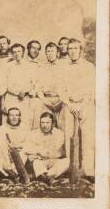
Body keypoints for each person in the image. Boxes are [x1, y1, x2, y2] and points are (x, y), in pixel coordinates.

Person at [63, 38, 95, 181]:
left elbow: (92, 89)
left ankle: (88, 170)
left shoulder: (89, 67)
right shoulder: (62, 68)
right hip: (69, 105)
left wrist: (82, 105)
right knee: (68, 136)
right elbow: (60, 89)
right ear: (67, 51)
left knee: (87, 137)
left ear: (80, 50)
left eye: (75, 48)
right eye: (70, 49)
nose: (73, 51)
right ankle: (72, 169)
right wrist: (69, 104)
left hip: (85, 105)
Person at [36, 42, 73, 154]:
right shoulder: (41, 67)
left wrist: (61, 101)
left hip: (61, 101)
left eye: (52, 51)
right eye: (48, 51)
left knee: (63, 129)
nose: (50, 53)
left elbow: (69, 86)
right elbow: (37, 87)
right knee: (45, 128)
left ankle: (63, 155)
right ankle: (45, 155)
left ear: (57, 52)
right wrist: (45, 101)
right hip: (46, 101)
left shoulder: (65, 67)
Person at [25, 112, 69, 184]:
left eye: (47, 122)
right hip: (40, 160)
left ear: (53, 124)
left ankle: (45, 177)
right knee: (36, 163)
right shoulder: (34, 133)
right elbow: (27, 148)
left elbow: (60, 150)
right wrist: (39, 151)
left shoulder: (59, 134)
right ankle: (48, 178)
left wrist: (52, 156)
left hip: (54, 160)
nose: (45, 125)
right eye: (43, 122)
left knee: (67, 161)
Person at [3, 43, 36, 127]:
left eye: (19, 51)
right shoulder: (7, 66)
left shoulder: (30, 66)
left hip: (24, 98)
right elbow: (4, 84)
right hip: (11, 97)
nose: (17, 54)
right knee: (9, 122)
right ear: (12, 53)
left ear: (23, 52)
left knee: (24, 122)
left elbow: (33, 83)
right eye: (14, 52)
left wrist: (24, 92)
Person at [0, 107, 28, 179]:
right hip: (5, 154)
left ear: (19, 117)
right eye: (11, 115)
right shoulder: (2, 129)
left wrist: (18, 145)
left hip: (19, 152)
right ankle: (9, 172)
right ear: (7, 117)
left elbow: (29, 143)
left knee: (24, 153)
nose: (14, 118)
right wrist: (7, 153)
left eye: (16, 115)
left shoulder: (25, 128)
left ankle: (13, 173)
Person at [0, 36, 13, 127]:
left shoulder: (13, 59)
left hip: (9, 94)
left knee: (8, 118)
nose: (2, 46)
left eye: (4, 43)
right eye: (0, 44)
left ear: (9, 44)